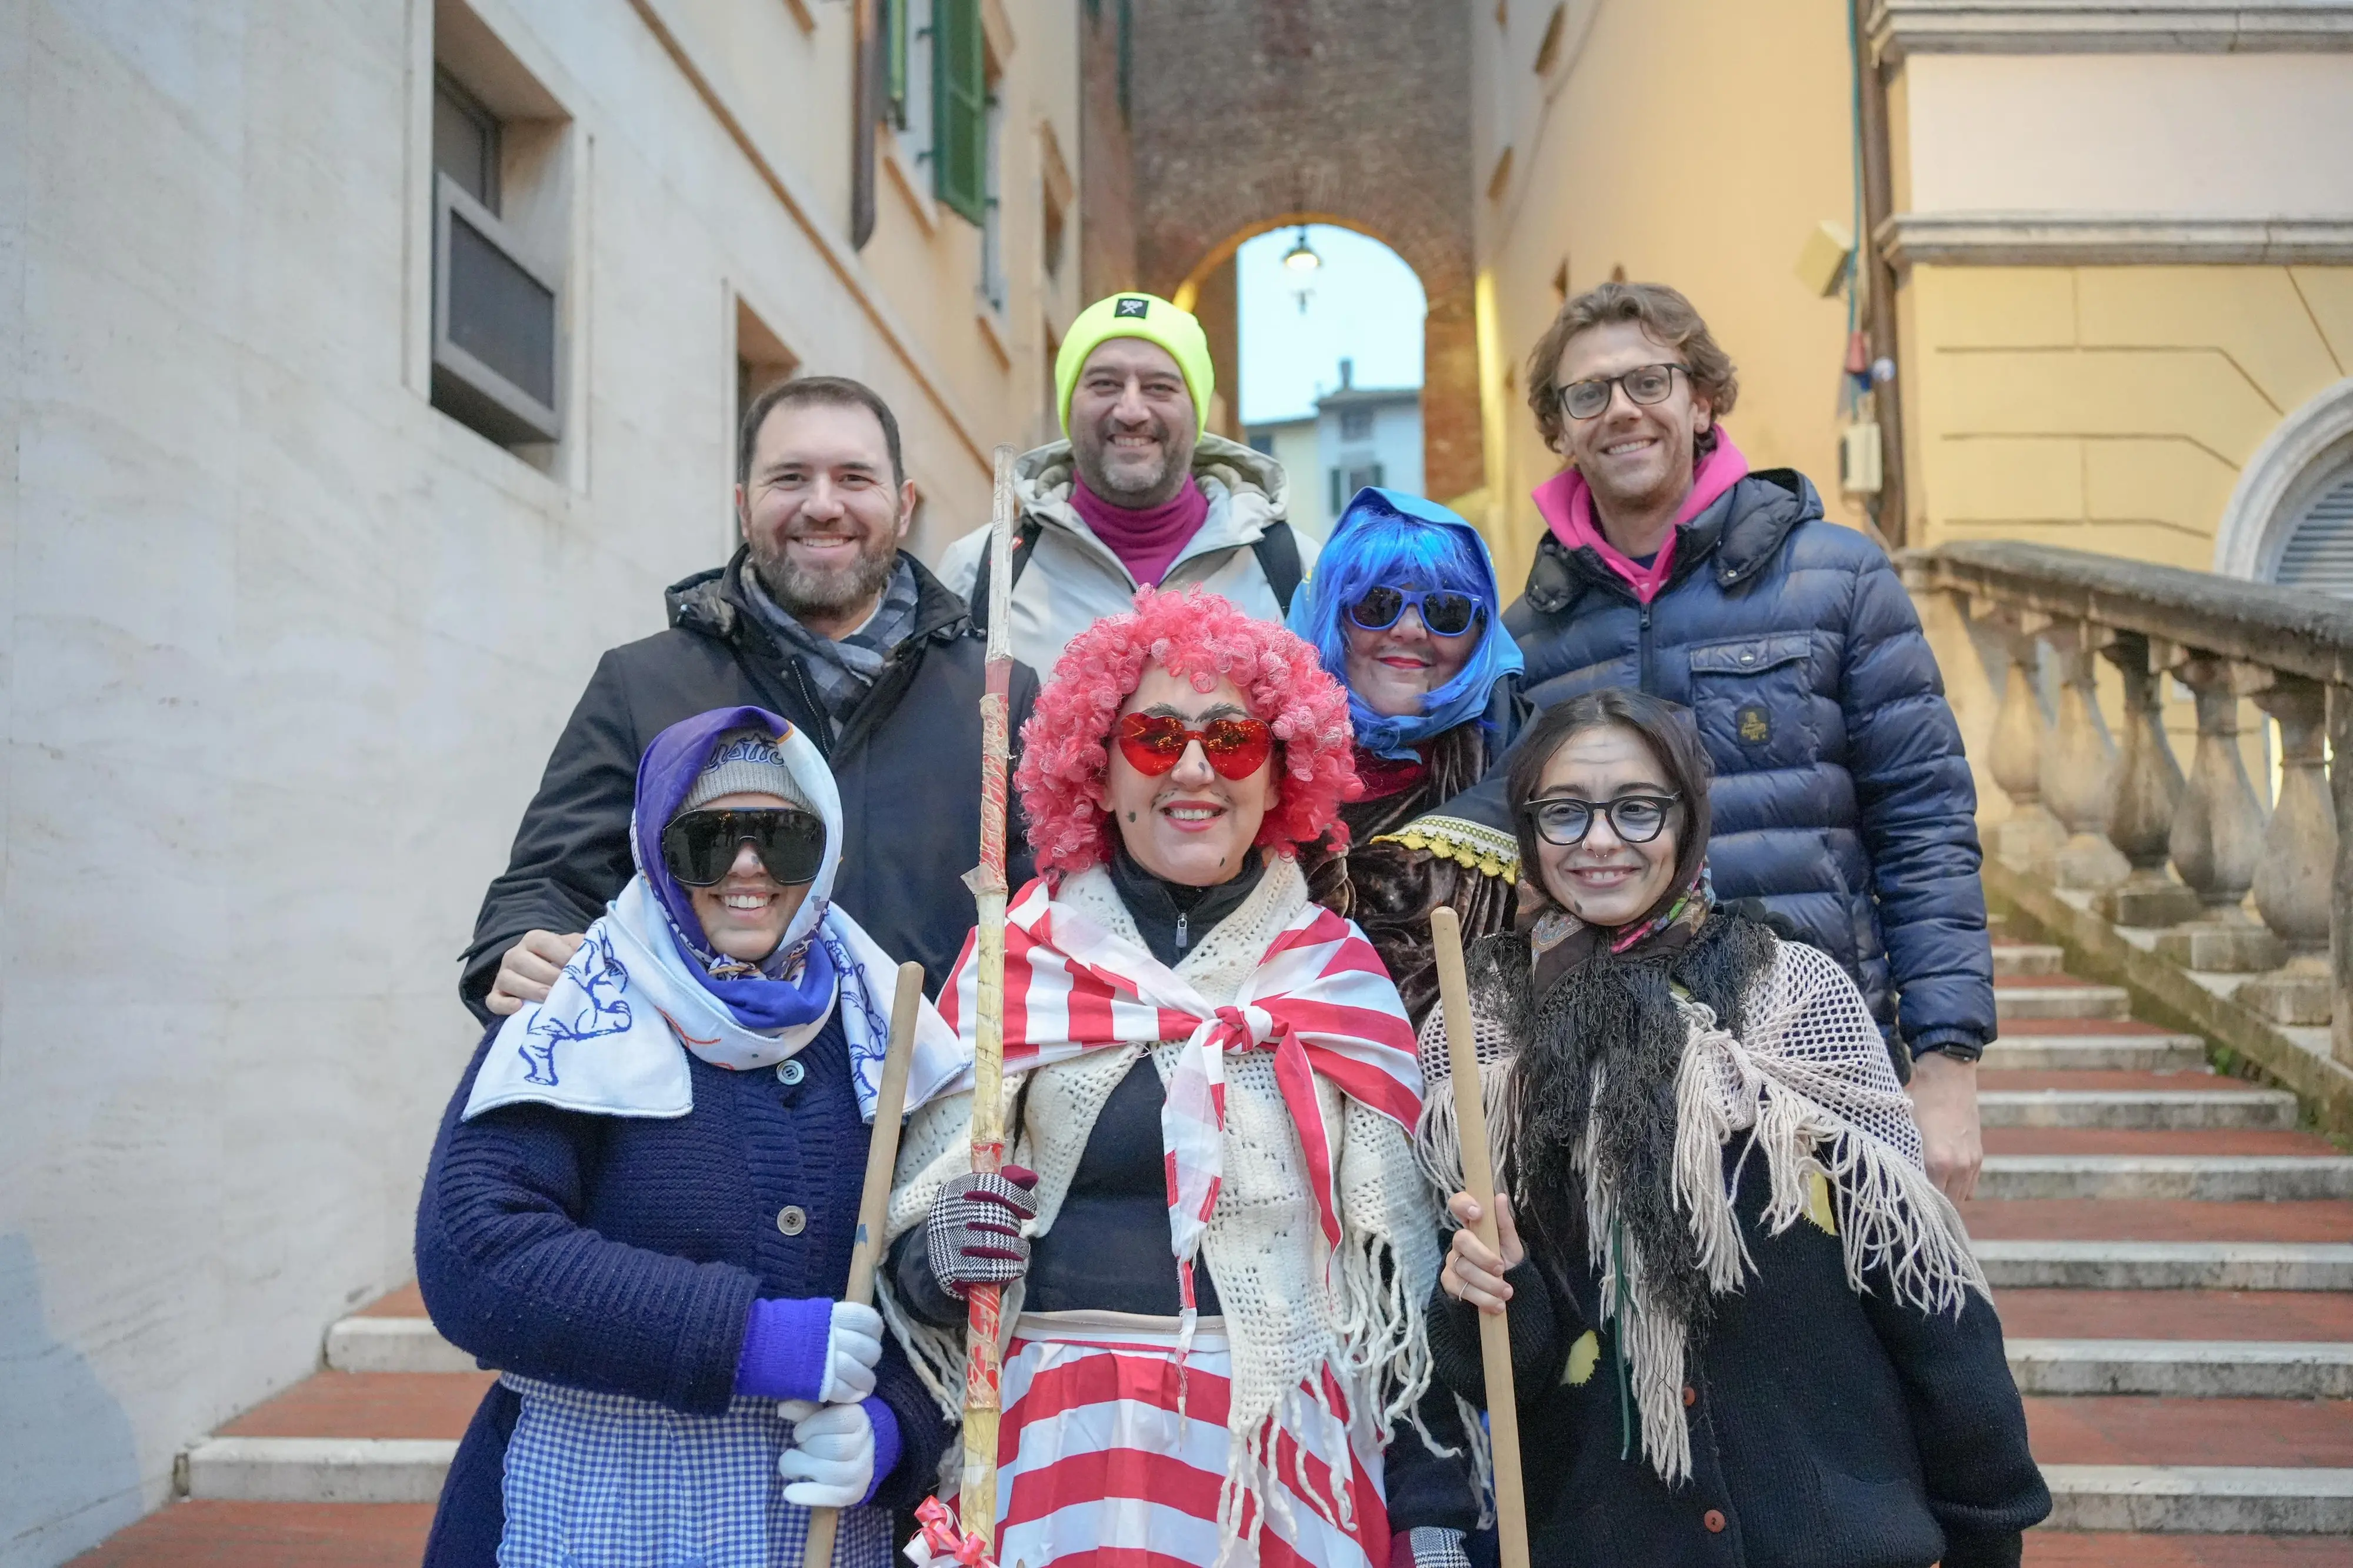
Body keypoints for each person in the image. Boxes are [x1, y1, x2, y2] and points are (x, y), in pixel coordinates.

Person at [879, 589, 1479, 1568]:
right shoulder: (1016, 958)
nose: (1195, 767)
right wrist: (942, 1251)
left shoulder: (1340, 975)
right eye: (1155, 737)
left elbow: (1395, 1299)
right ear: (1097, 768)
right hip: (1056, 1441)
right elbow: (916, 1248)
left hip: (1284, 1458)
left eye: (1235, 740)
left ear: (1282, 771)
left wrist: (1432, 1510)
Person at [1424, 689, 2048, 1567]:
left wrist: (1990, 1527)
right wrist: (1488, 1288)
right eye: (1564, 813)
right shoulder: (1479, 1028)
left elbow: (1927, 1295)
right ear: (1528, 831)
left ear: (1690, 817)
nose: (1600, 841)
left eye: (1638, 808)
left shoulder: (1794, 996)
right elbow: (1496, 1373)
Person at [1446, 281, 1994, 1199]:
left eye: (1649, 380)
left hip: (1823, 1066)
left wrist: (1947, 1060)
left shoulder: (1837, 578)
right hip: (1620, 1094)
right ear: (1561, 430)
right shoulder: (1529, 641)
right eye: (1588, 394)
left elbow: (1925, 821)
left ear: (1701, 402)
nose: (1621, 410)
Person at [416, 708, 972, 1567]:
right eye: (707, 841)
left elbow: (934, 1289)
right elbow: (474, 1252)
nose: (748, 868)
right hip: (595, 1509)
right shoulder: (573, 1010)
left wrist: (893, 1425)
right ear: (653, 850)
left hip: (821, 1518)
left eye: (783, 838)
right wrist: (753, 1339)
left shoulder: (887, 1026)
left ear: (825, 853)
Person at [465, 376, 1038, 1022]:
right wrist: (519, 946)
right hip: (703, 1102)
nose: (822, 506)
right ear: (743, 504)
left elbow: (1049, 914)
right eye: (789, 478)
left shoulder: (997, 695)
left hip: (934, 1104)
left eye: (854, 478)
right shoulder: (642, 683)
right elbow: (549, 885)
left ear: (903, 505)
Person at [938, 292, 1313, 670]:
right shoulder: (983, 568)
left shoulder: (1297, 569)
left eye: (1159, 387)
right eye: (1105, 384)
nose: (1131, 411)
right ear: (1069, 408)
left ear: (1196, 414)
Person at [1290, 486, 1527, 1026]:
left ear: (1481, 635)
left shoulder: (1523, 762)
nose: (1409, 629)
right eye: (1378, 604)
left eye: (1446, 611)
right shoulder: (1256, 767)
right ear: (1332, 616)